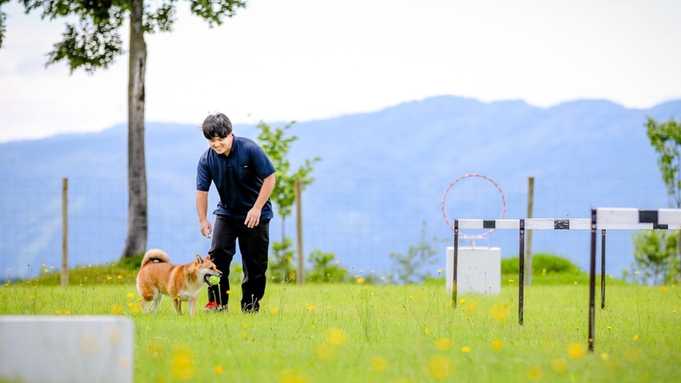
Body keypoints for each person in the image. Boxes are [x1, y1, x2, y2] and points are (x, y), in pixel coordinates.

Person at [196, 112, 276, 313]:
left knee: (255, 264)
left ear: (230, 134)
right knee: (216, 258)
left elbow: (270, 179)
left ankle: (250, 307)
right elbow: (201, 191)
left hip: (256, 214)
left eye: (220, 139)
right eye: (211, 140)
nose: (216, 144)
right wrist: (203, 219)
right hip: (227, 214)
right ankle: (217, 304)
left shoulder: (250, 149)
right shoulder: (206, 160)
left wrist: (257, 208)